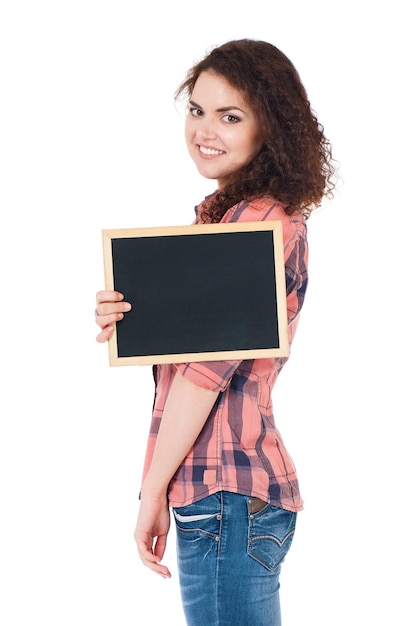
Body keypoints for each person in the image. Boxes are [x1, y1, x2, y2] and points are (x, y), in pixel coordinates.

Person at [95, 39, 336, 626]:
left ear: (270, 129)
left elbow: (204, 381)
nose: (206, 129)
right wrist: (130, 317)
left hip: (226, 493)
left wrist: (150, 494)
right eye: (198, 109)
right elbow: (193, 357)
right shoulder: (226, 218)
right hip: (224, 493)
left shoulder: (259, 224)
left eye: (231, 116)